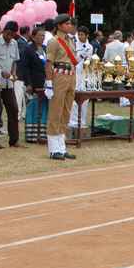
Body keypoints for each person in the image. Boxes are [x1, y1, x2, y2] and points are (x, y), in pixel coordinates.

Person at [44, 14, 79, 160]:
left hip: (71, 75)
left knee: (66, 111)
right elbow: (48, 63)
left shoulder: (71, 40)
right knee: (55, 112)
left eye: (70, 24)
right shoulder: (54, 41)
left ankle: (62, 147)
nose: (70, 26)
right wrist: (49, 83)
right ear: (59, 25)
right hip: (59, 75)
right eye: (67, 24)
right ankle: (53, 149)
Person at [0, 20, 23, 149]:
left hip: (9, 83)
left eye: (12, 34)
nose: (9, 36)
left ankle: (14, 140)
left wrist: (14, 73)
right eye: (7, 33)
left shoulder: (14, 43)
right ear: (3, 31)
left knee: (14, 109)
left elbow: (15, 61)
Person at [21, 28, 49, 143]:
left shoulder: (45, 49)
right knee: (33, 107)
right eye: (40, 35)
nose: (42, 38)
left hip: (45, 83)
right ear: (33, 37)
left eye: (43, 36)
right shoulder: (28, 49)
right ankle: (31, 135)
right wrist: (28, 83)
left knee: (44, 107)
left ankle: (42, 134)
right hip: (33, 83)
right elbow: (25, 67)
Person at [69, 26, 94, 130]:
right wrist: (81, 55)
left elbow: (89, 61)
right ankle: (73, 121)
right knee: (74, 99)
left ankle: (82, 121)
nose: (80, 36)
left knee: (85, 99)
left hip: (84, 74)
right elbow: (73, 60)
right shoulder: (74, 44)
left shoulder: (90, 47)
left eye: (82, 35)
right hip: (75, 72)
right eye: (79, 34)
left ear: (87, 35)